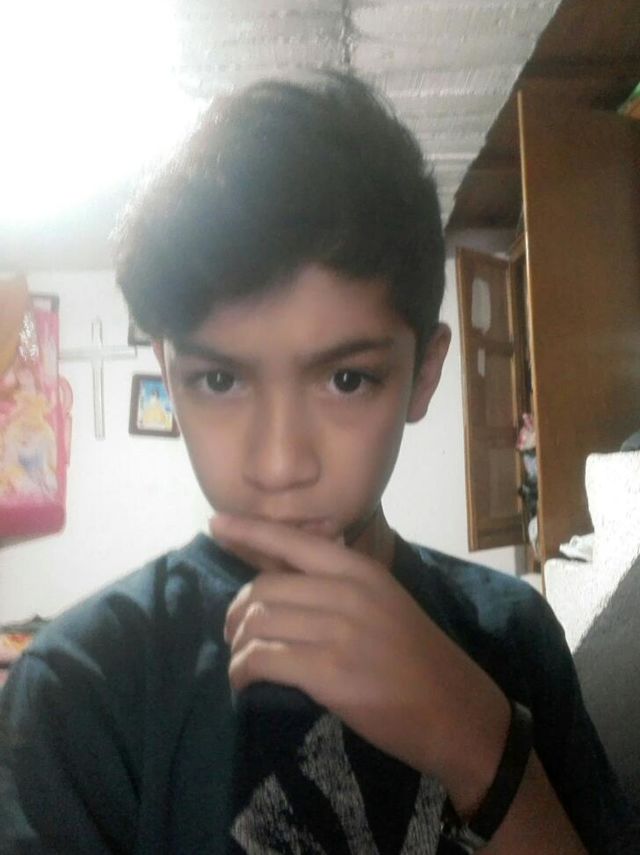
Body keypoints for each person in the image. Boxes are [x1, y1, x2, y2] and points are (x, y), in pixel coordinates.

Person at [0, 71, 636, 855]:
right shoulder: (81, 684)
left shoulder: (511, 633)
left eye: (347, 379)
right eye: (220, 380)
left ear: (423, 375)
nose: (279, 464)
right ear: (170, 376)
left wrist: (481, 742)